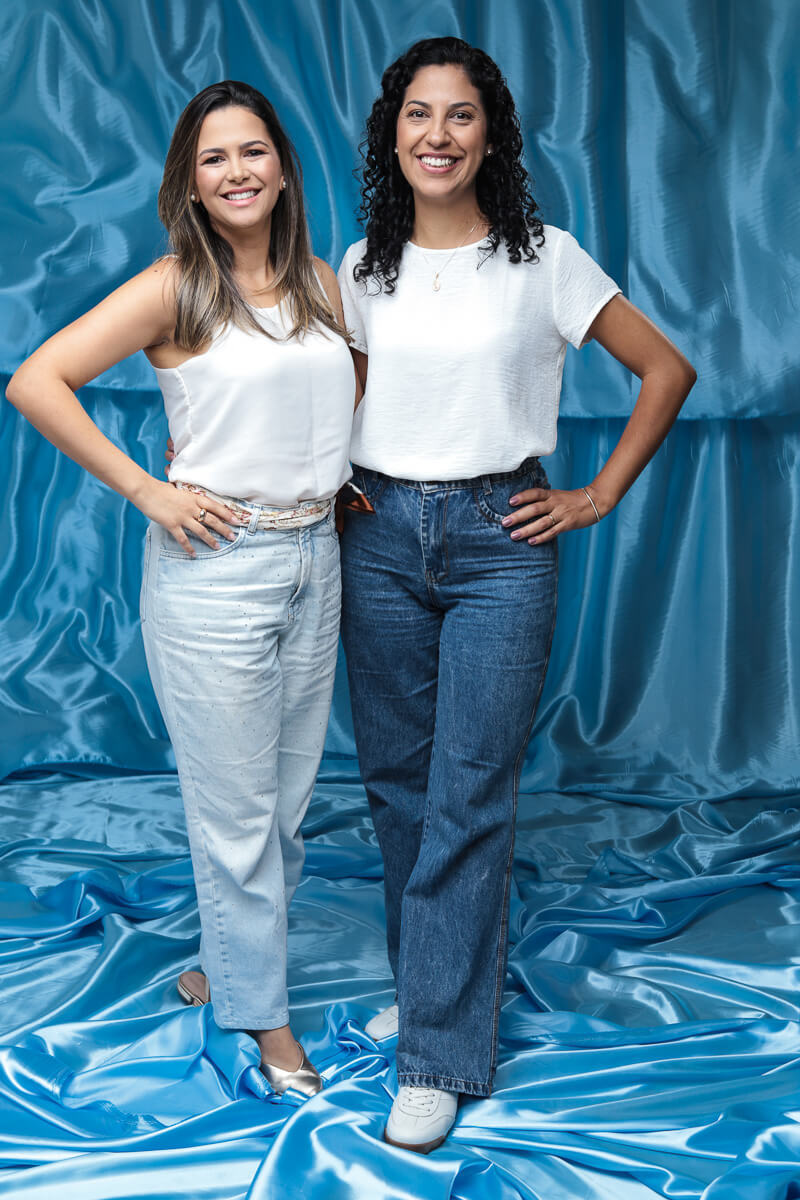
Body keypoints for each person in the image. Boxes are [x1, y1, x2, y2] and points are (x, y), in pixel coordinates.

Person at [336, 36, 696, 1152]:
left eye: (459, 116)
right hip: (379, 533)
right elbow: (340, 399)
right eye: (416, 116)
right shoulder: (360, 268)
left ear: (489, 136)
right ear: (389, 135)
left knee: (467, 792)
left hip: (501, 537)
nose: (435, 136)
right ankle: (439, 985)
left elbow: (664, 369)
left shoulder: (543, 257)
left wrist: (590, 497)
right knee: (396, 785)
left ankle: (439, 1052)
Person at [6, 80, 357, 1097]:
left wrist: (340, 483)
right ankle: (265, 1020)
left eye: (252, 152)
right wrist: (150, 491)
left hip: (315, 559)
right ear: (190, 185)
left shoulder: (322, 285)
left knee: (284, 810)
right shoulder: (176, 287)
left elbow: (342, 402)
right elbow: (36, 379)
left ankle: (227, 968)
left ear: (282, 168)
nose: (236, 172)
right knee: (236, 814)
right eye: (212, 160)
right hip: (217, 573)